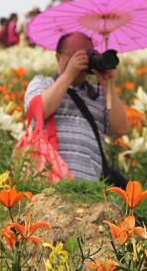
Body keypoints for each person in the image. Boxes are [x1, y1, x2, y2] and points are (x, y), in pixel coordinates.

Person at [24, 32, 130, 181]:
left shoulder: (98, 94)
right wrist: (69, 74)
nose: (81, 59)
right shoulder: (42, 83)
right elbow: (39, 111)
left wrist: (108, 85)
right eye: (73, 54)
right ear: (58, 57)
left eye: (87, 54)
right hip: (50, 184)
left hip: (89, 188)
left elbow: (121, 129)